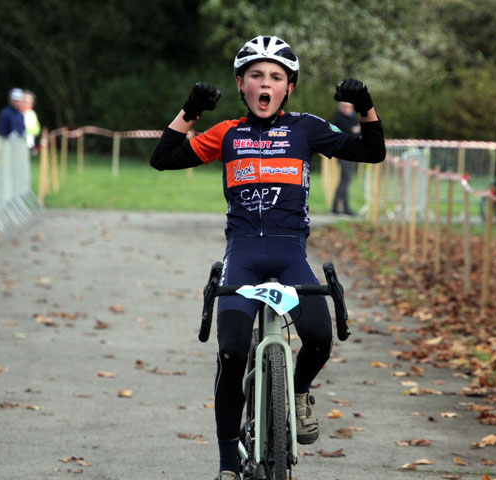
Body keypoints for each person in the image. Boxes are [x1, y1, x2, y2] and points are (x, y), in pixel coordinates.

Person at [150, 35, 385, 480]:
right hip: (242, 256)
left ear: (288, 88)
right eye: (256, 75)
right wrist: (190, 110)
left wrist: (366, 105)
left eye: (276, 77)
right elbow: (162, 158)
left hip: (290, 254)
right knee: (233, 352)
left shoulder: (306, 128)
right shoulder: (227, 134)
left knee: (319, 338)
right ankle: (225, 465)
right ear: (241, 84)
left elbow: (373, 152)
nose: (266, 83)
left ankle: (296, 392)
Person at [330, 101, 361, 215]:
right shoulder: (339, 120)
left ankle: (337, 207)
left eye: (350, 107)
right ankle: (344, 207)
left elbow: (357, 132)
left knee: (345, 180)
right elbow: (352, 133)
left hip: (350, 153)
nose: (348, 109)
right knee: (346, 180)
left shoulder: (351, 119)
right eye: (345, 107)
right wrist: (355, 131)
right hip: (344, 153)